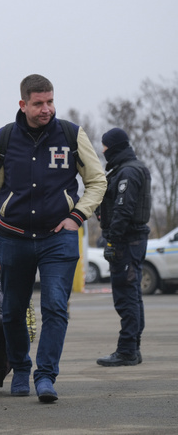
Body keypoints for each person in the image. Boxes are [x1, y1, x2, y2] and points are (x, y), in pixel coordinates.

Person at [0, 74, 106, 403]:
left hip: (57, 238)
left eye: (50, 101)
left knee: (55, 308)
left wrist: (77, 216)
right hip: (14, 238)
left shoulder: (71, 135)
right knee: (14, 310)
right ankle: (20, 367)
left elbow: (98, 181)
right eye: (38, 103)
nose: (46, 108)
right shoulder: (3, 138)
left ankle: (46, 376)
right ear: (23, 104)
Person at [96, 128, 151, 367]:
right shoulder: (129, 168)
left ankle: (128, 349)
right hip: (133, 240)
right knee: (133, 295)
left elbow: (123, 210)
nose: (103, 151)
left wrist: (112, 241)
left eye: (105, 147)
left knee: (126, 295)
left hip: (126, 241)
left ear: (114, 147)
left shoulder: (128, 171)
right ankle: (132, 347)